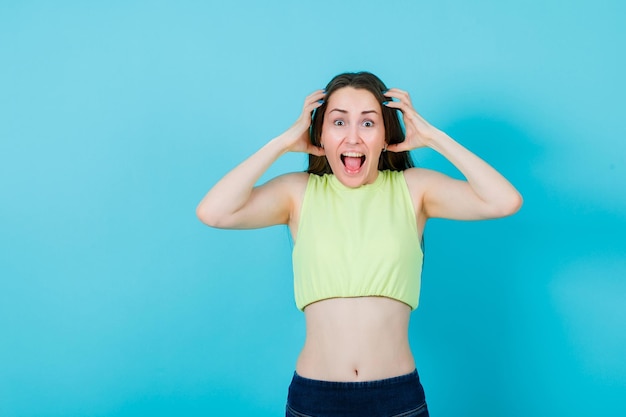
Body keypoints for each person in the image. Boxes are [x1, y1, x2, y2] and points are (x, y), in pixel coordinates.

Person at [196, 71, 522, 417]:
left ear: (385, 136)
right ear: (320, 135)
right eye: (339, 122)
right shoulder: (299, 193)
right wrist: (281, 143)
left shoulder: (414, 190)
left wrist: (434, 137)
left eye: (368, 124)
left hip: (396, 397)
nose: (353, 137)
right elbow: (214, 212)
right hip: (315, 398)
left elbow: (504, 201)